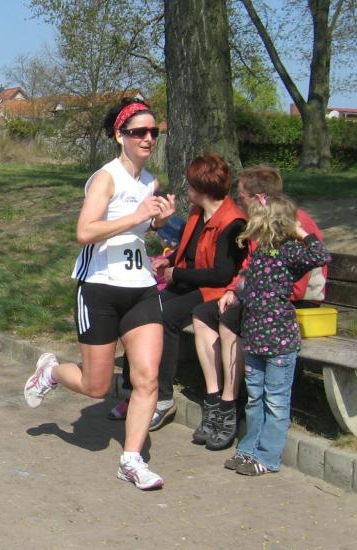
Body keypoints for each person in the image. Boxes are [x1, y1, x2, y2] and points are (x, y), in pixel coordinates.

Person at [23, 98, 176, 490]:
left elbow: (140, 230)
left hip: (140, 287)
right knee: (97, 386)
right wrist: (137, 216)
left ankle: (132, 460)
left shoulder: (150, 181)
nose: (148, 138)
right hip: (99, 288)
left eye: (153, 132)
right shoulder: (105, 178)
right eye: (138, 132)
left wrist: (158, 222)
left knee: (147, 377)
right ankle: (51, 372)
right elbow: (85, 231)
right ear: (120, 136)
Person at [189, 165, 327, 451]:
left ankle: (229, 402)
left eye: (241, 197)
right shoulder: (259, 222)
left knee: (229, 322)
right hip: (259, 295)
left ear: (257, 197)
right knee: (203, 314)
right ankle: (214, 398)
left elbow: (296, 277)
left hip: (286, 301)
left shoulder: (287, 221)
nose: (238, 203)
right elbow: (250, 266)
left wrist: (247, 294)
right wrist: (233, 290)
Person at [107, 154, 248, 433]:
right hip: (188, 282)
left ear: (204, 189)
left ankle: (162, 398)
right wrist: (168, 261)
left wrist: (178, 274)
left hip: (213, 291)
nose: (186, 188)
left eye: (191, 184)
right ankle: (135, 390)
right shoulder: (197, 213)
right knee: (138, 313)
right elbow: (189, 254)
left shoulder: (233, 223)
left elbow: (222, 274)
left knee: (165, 317)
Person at [222, 193, 330, 476]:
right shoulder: (259, 253)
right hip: (255, 338)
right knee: (254, 398)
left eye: (255, 217)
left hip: (279, 341)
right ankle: (248, 449)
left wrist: (301, 233)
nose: (249, 221)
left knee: (276, 401)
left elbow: (321, 256)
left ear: (270, 222)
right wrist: (235, 293)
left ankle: (268, 458)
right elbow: (250, 286)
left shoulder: (290, 251)